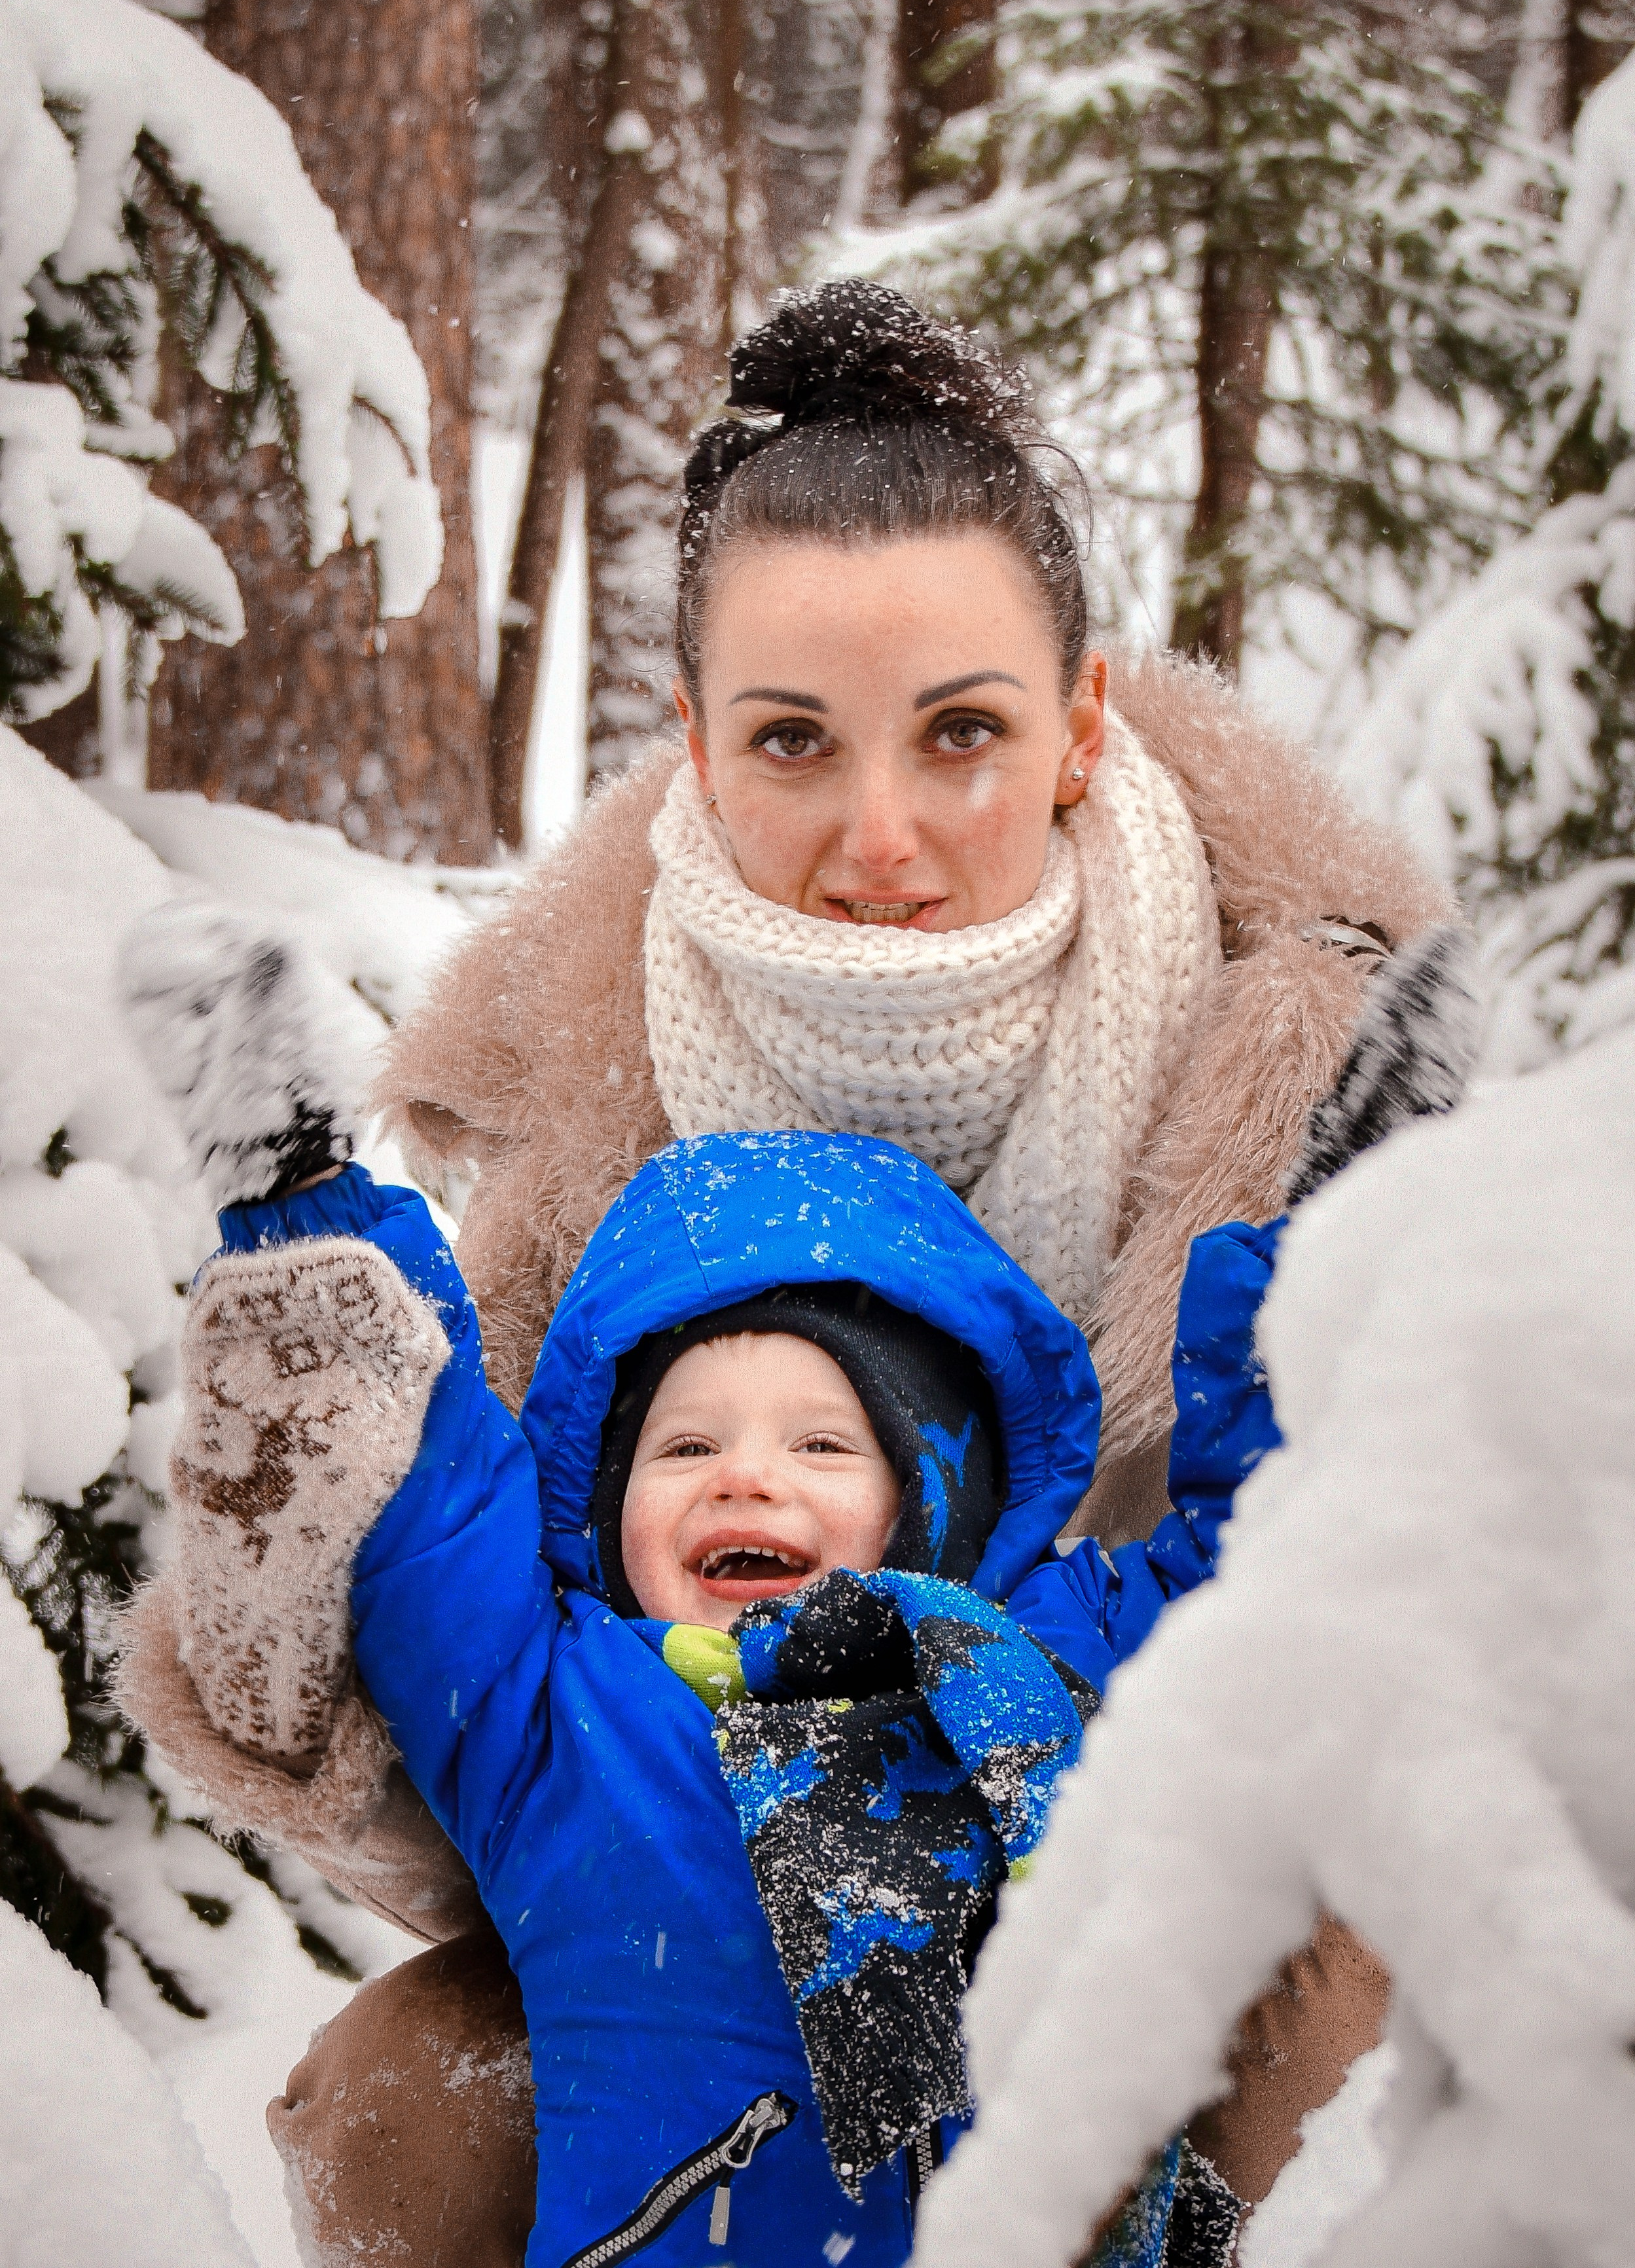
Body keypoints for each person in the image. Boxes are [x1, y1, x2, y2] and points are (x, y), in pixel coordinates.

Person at [119, 278, 1442, 2255]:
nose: (881, 835)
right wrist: (308, 1476)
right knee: (397, 2096)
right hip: (704, 1941)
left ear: (1081, 721)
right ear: (698, 749)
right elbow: (467, 1660)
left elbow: (1406, 1589)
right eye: (797, 739)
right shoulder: (576, 1119)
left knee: (1330, 2003)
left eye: (964, 734)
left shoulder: (1296, 1057)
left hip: (1212, 1878)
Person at [130, 1119, 1288, 2268]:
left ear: (938, 1492)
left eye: (825, 1447)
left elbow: (1270, 1550)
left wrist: (1326, 1236)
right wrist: (306, 1199)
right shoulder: (557, 1714)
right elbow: (426, 1497)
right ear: (606, 1502)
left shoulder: (1053, 1651)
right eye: (682, 1448)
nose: (744, 1473)